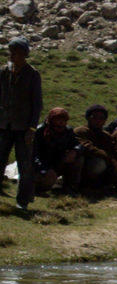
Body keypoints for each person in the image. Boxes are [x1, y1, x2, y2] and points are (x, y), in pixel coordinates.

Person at [0, 37, 43, 210]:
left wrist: (32, 128)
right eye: (11, 52)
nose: (12, 55)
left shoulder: (32, 74)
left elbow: (37, 103)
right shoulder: (3, 71)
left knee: (25, 164)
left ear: (24, 55)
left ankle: (23, 201)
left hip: (23, 127)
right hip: (3, 125)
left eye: (16, 53)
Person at [74, 104, 117, 194]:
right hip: (87, 163)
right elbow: (89, 148)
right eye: (95, 117)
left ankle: (103, 185)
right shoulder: (80, 131)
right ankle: (81, 185)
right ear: (88, 118)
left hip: (105, 162)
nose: (98, 120)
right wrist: (111, 159)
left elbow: (113, 149)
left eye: (101, 118)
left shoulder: (106, 135)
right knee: (99, 164)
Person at [32, 107, 82, 196]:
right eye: (58, 120)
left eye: (63, 120)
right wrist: (45, 169)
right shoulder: (40, 131)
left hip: (58, 162)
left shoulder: (67, 131)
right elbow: (33, 154)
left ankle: (70, 187)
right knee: (48, 178)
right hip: (41, 166)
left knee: (78, 159)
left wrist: (75, 151)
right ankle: (38, 189)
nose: (61, 122)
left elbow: (77, 144)